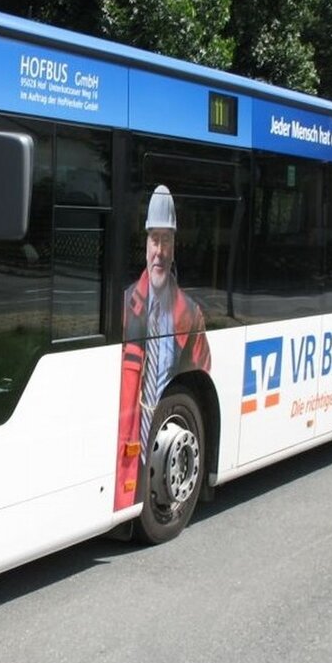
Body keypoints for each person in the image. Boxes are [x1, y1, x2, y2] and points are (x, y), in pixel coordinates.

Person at [114, 185, 211, 510]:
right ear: (145, 245)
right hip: (128, 444)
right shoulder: (125, 307)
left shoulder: (190, 314)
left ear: (174, 246)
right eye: (154, 239)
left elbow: (207, 382)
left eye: (166, 240)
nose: (159, 251)